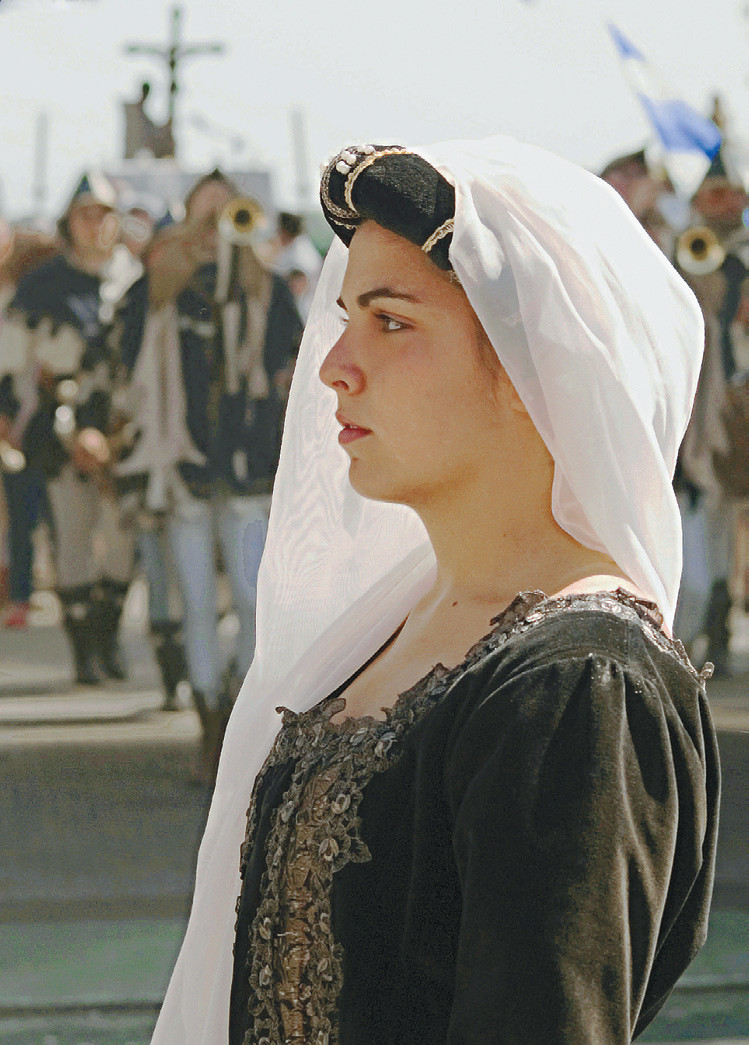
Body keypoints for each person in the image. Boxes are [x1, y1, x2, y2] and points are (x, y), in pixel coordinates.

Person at [152, 138, 720, 1044]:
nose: (335, 365)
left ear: (539, 368)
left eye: (391, 321)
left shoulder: (578, 682)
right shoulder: (392, 622)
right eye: (346, 317)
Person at [112, 170, 303, 780]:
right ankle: (209, 725)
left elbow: (293, 360)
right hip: (186, 469)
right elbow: (124, 355)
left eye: (228, 211)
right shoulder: (159, 288)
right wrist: (171, 273)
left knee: (250, 599)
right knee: (196, 602)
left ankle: (241, 720)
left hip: (247, 469)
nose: (217, 224)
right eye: (206, 212)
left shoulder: (266, 288)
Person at [0, 174, 135, 681]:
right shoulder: (42, 285)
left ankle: (109, 636)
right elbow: (11, 362)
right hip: (60, 430)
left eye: (104, 214)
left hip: (124, 431)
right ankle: (85, 653)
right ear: (69, 221)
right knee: (73, 538)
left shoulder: (137, 282)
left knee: (122, 542)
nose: (95, 225)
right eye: (85, 214)